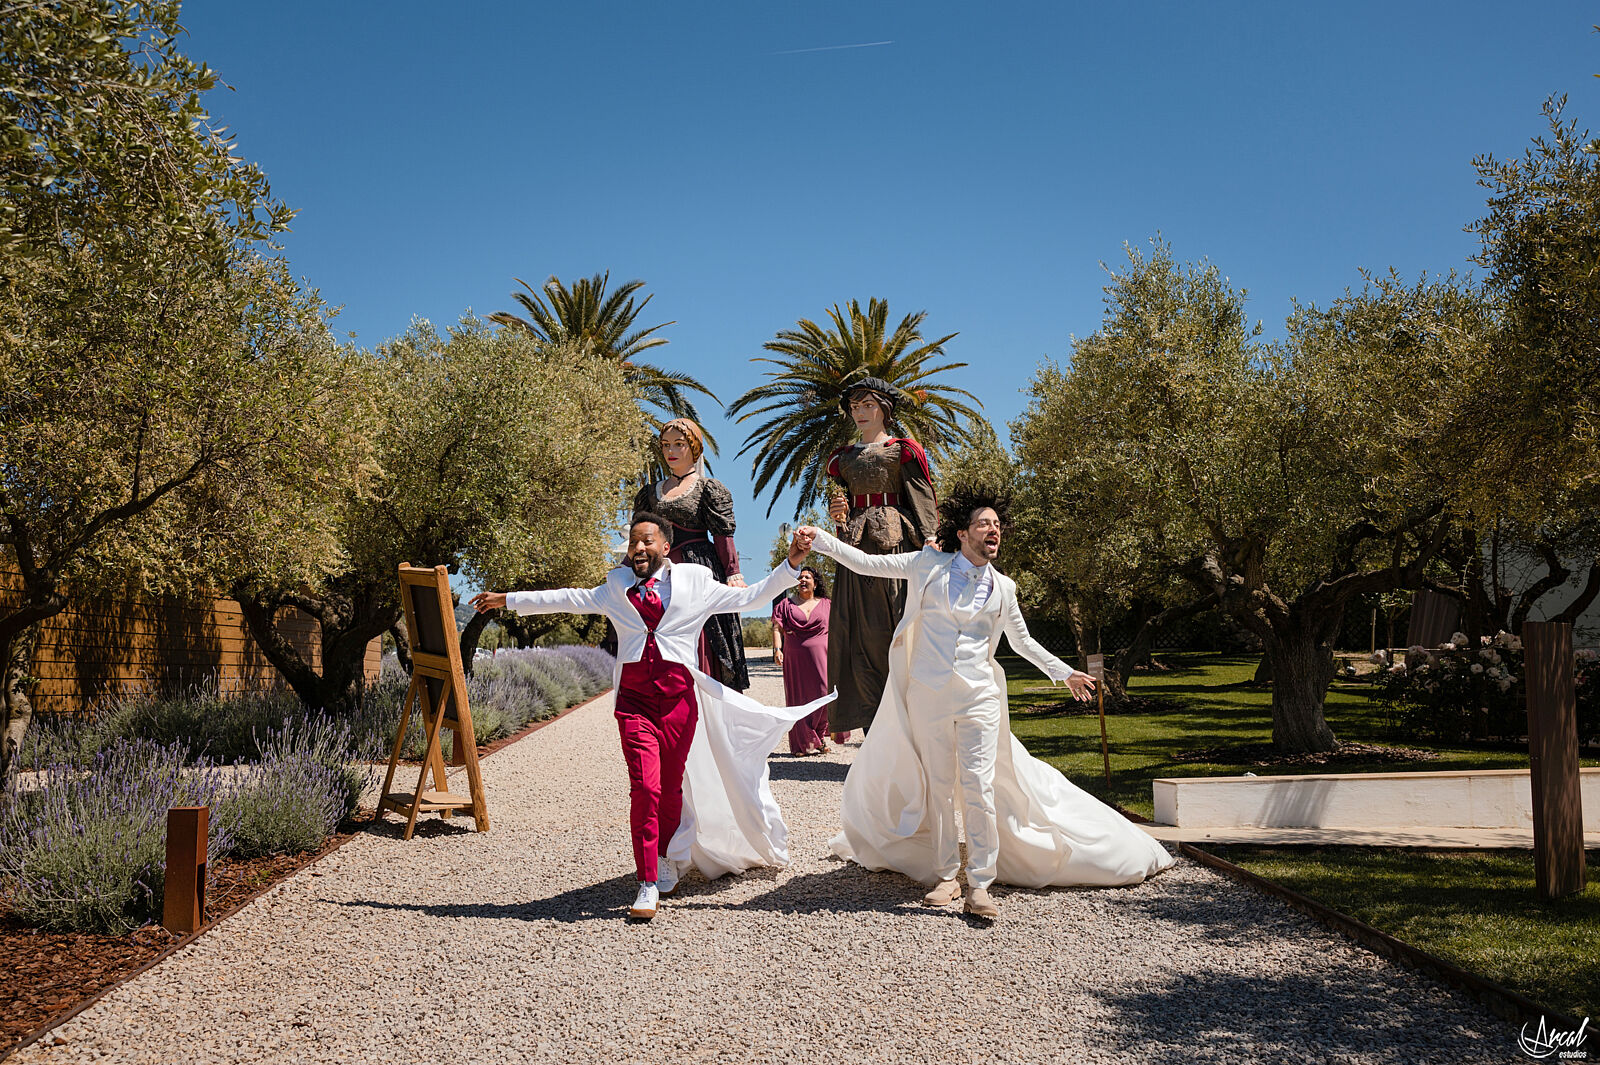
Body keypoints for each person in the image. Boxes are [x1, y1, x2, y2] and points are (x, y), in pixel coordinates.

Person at [800, 484, 1174, 920]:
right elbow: (865, 564)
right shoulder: (927, 565)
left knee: (979, 788)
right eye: (984, 524)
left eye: (998, 525)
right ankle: (945, 876)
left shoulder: (1005, 588)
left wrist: (1062, 671)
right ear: (962, 532)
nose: (993, 530)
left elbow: (1023, 642)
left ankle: (980, 883)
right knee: (938, 788)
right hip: (928, 694)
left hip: (979, 697)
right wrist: (821, 539)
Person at [472, 516, 828, 921]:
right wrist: (508, 599)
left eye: (646, 541)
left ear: (664, 547)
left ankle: (666, 857)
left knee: (672, 788)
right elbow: (568, 598)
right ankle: (646, 880)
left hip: (679, 703)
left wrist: (792, 563)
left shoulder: (695, 581)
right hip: (634, 702)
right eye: (632, 542)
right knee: (645, 787)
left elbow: (751, 598)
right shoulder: (614, 586)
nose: (637, 549)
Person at [823, 378, 938, 742]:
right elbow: (841, 502)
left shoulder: (901, 450)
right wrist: (837, 512)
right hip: (854, 545)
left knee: (897, 628)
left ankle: (911, 724)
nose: (860, 413)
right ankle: (874, 730)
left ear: (884, 409)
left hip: (894, 542)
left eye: (867, 406)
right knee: (858, 633)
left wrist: (931, 537)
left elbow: (921, 497)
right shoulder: (842, 458)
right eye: (854, 407)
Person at [633, 419, 751, 691]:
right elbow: (640, 538)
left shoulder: (708, 488)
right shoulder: (649, 493)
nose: (671, 451)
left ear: (694, 448)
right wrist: (628, 569)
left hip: (697, 568)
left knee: (704, 640)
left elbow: (722, 536)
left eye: (679, 444)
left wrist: (732, 572)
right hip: (658, 573)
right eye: (665, 445)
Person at [771, 566, 832, 756]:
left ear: (815, 583)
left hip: (823, 656)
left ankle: (818, 736)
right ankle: (802, 744)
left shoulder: (827, 604)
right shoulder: (785, 605)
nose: (803, 580)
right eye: (800, 577)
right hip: (795, 657)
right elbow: (776, 628)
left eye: (807, 577)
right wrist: (777, 649)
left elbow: (839, 627)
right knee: (798, 698)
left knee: (824, 693)